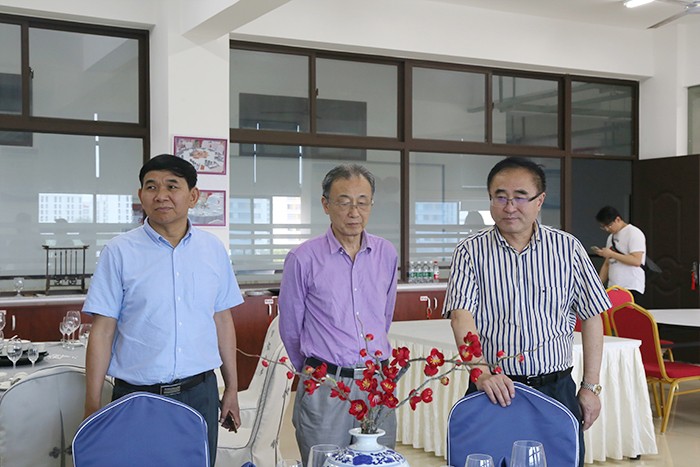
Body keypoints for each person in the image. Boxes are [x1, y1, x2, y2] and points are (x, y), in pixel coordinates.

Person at [443, 157, 611, 467]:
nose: (509, 207)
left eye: (520, 197)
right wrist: (480, 372)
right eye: (500, 197)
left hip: (555, 390)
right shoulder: (470, 251)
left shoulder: (568, 249)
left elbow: (592, 315)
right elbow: (460, 316)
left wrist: (590, 387)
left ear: (539, 201)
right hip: (494, 389)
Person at [82, 154, 243, 466]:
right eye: (151, 186)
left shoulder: (212, 250)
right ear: (141, 195)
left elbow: (223, 320)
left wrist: (232, 389)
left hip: (200, 393)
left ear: (193, 196)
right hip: (136, 397)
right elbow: (102, 332)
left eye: (172, 186)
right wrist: (92, 403)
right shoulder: (119, 251)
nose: (161, 195)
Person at [278, 164, 398, 465]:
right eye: (344, 202)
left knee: (377, 463)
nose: (354, 212)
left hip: (376, 383)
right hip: (326, 386)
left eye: (362, 202)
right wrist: (316, 369)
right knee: (325, 462)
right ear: (326, 205)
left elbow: (384, 317)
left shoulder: (386, 253)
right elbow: (290, 328)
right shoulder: (303, 258)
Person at [592, 205, 646, 304]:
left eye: (609, 225)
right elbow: (607, 264)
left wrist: (611, 254)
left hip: (631, 286)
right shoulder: (611, 237)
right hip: (613, 287)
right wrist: (598, 284)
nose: (607, 229)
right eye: (603, 227)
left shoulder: (633, 233)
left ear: (618, 219)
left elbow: (636, 261)